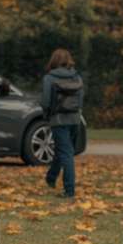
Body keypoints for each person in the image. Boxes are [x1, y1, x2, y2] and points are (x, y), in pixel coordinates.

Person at [41, 48, 84, 199]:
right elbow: (81, 99)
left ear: (54, 60)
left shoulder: (49, 78)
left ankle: (69, 190)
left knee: (66, 153)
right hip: (75, 119)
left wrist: (46, 115)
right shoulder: (77, 77)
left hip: (58, 120)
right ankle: (51, 178)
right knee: (63, 149)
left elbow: (46, 101)